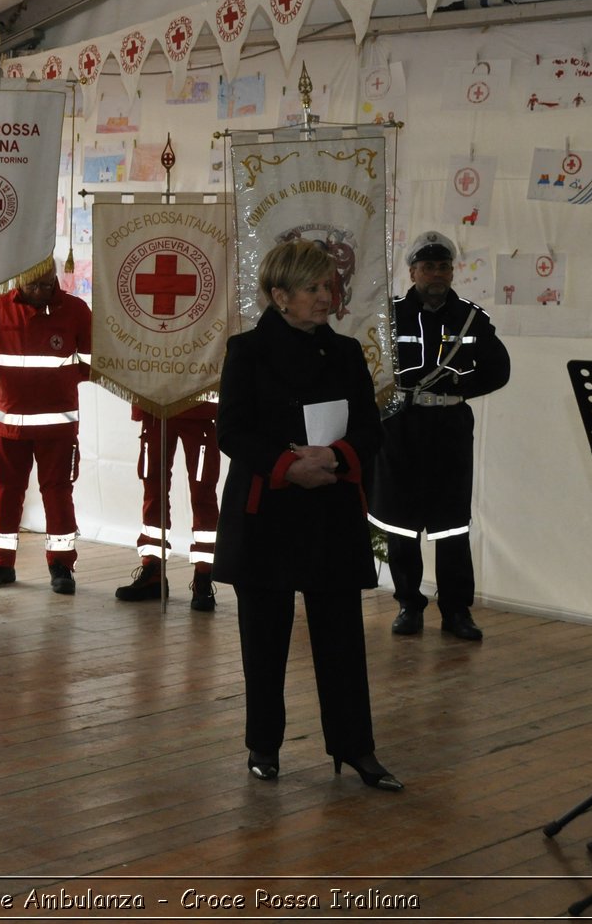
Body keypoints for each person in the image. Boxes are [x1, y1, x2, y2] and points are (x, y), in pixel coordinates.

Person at [211, 239, 400, 791]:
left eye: (329, 287)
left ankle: (356, 748)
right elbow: (232, 432)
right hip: (267, 509)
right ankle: (263, 746)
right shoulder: (246, 351)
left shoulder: (344, 354)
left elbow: (370, 429)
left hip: (330, 509)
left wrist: (337, 459)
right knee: (263, 638)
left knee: (342, 637)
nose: (327, 297)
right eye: (315, 288)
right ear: (280, 296)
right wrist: (286, 466)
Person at [369, 230, 510, 642]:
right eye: (428, 266)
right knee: (400, 523)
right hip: (400, 429)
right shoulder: (388, 315)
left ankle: (456, 611)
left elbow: (498, 370)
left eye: (443, 266)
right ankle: (409, 605)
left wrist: (459, 390)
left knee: (451, 526)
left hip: (448, 429)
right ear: (412, 271)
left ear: (452, 271)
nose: (436, 273)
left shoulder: (470, 318)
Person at [0, 259, 91, 595]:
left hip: (57, 428)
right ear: (19, 280)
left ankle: (62, 564)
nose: (41, 292)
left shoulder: (76, 311)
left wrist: (63, 378)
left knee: (58, 494)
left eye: (48, 285)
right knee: (6, 492)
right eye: (34, 286)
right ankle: (1, 563)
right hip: (9, 427)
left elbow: (95, 361)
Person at [114, 401, 221, 610]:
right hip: (155, 405)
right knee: (154, 491)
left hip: (199, 406)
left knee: (203, 493)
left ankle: (204, 575)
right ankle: (153, 571)